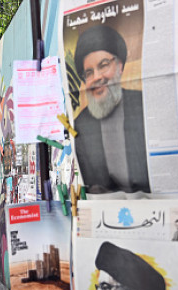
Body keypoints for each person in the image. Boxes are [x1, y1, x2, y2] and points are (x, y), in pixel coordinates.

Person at [73, 25, 148, 194]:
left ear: (120, 66)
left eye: (104, 65)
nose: (97, 77)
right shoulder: (81, 125)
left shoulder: (144, 104)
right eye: (89, 73)